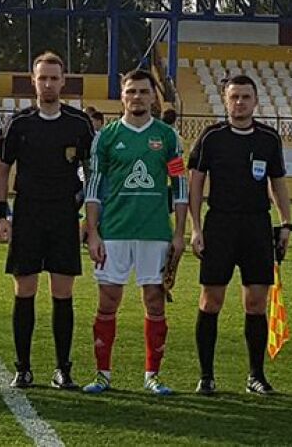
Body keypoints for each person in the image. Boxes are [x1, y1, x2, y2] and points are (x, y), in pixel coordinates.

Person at [82, 69, 188, 396]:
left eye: (143, 91)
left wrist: (179, 233)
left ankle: (152, 375)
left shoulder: (168, 137)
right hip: (114, 231)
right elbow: (94, 188)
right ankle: (103, 374)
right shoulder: (106, 137)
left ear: (153, 97)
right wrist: (93, 233)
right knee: (107, 301)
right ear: (122, 96)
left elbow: (180, 186)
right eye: (131, 91)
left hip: (155, 233)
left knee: (155, 301)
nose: (137, 97)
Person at [0, 51, 95, 390]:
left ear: (63, 81)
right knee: (25, 290)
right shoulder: (19, 123)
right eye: (43, 78)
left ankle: (63, 369)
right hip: (27, 213)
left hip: (64, 215)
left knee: (62, 293)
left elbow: (91, 171)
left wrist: (89, 215)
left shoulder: (78, 124)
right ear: (33, 81)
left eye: (54, 78)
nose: (48, 83)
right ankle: (22, 368)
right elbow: (3, 169)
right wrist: (1, 214)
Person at [188, 74, 292, 396]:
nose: (240, 102)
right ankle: (206, 376)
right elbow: (195, 183)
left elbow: (277, 183)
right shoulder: (211, 137)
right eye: (234, 97)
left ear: (255, 101)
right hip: (220, 224)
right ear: (225, 100)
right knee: (211, 300)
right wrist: (195, 227)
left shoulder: (268, 138)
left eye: (246, 97)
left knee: (256, 302)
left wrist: (286, 223)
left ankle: (255, 375)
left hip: (257, 226)